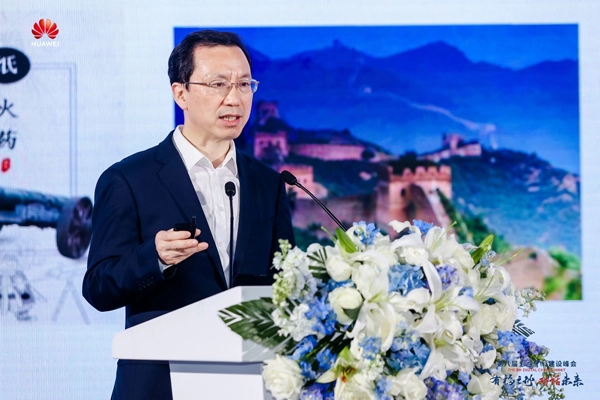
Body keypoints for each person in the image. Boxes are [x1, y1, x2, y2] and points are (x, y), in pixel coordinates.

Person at [82, 30, 295, 400]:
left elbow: (285, 281)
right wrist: (155, 258)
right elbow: (99, 287)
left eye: (244, 84)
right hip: (158, 385)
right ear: (180, 93)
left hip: (250, 383)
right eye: (218, 84)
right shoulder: (129, 179)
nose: (235, 98)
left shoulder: (268, 183)